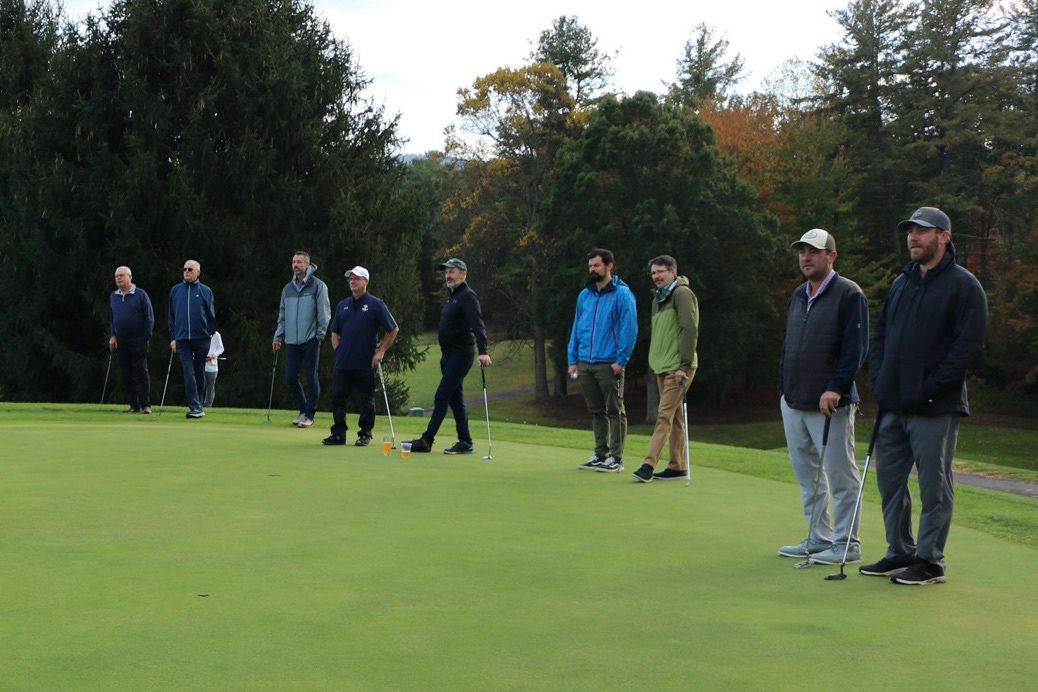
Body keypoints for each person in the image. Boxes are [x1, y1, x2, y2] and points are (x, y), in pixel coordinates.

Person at [860, 206, 987, 585]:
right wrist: (880, 381)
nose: (913, 237)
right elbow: (881, 336)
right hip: (893, 403)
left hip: (935, 406)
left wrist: (928, 389)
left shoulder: (965, 286)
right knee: (891, 485)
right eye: (911, 231)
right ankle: (900, 551)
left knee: (934, 486)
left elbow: (968, 351)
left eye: (923, 231)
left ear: (944, 237)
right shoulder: (902, 283)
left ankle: (930, 561)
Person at [775, 229, 869, 565]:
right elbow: (789, 345)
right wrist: (783, 388)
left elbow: (855, 349)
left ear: (832, 256)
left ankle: (847, 543)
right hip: (795, 399)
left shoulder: (849, 294)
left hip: (831, 403)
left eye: (814, 251)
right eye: (802, 251)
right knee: (809, 478)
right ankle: (819, 538)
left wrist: (837, 387)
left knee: (841, 477)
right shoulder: (800, 293)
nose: (806, 257)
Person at [407, 258, 491, 454]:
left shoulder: (468, 296)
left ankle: (426, 440)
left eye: (452, 271)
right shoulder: (453, 296)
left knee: (441, 396)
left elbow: (478, 324)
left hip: (461, 355)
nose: (448, 275)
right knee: (455, 399)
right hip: (448, 356)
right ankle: (465, 441)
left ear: (463, 274)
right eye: (446, 272)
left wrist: (484, 351)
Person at [567, 249, 638, 473]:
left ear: (609, 266)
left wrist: (621, 361)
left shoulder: (622, 294)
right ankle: (600, 454)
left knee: (615, 410)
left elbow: (629, 329)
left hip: (609, 363)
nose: (592, 270)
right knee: (596, 410)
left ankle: (616, 459)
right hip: (585, 363)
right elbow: (577, 328)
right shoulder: (584, 295)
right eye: (590, 266)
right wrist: (573, 359)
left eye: (596, 265)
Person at [632, 255, 699, 483]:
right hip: (662, 366)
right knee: (676, 418)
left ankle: (648, 464)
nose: (656, 276)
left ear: (673, 272)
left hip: (678, 368)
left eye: (661, 272)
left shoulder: (681, 294)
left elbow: (689, 329)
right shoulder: (658, 299)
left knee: (664, 416)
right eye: (653, 273)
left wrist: (684, 365)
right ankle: (677, 466)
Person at [322, 267, 399, 447]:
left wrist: (380, 351)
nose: (352, 281)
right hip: (343, 362)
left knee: (366, 400)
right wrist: (338, 351)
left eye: (356, 278)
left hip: (364, 361)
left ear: (365, 282)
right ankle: (339, 434)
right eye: (351, 278)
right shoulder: (343, 305)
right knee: (338, 397)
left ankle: (365, 433)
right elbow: (335, 332)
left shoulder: (375, 304)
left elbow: (393, 329)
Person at [272, 251, 331, 428]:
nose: (295, 265)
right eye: (293, 262)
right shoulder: (287, 289)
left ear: (307, 264)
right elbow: (282, 315)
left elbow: (324, 313)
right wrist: (278, 335)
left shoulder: (318, 286)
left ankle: (309, 414)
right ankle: (303, 409)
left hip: (311, 339)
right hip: (291, 340)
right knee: (290, 376)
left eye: (299, 262)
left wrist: (320, 334)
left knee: (311, 376)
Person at [168, 260, 216, 419]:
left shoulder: (205, 290)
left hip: (201, 338)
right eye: (184, 269)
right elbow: (171, 316)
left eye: (190, 269)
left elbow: (211, 316)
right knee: (188, 372)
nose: (186, 272)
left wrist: (209, 333)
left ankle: (199, 405)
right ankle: (195, 407)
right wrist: (173, 337)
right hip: (182, 339)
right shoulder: (176, 291)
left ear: (197, 272)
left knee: (199, 372)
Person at [109, 266, 155, 414]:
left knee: (140, 372)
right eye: (117, 276)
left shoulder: (140, 294)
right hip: (121, 340)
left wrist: (146, 337)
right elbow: (112, 318)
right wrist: (113, 335)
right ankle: (133, 405)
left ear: (130, 277)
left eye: (122, 275)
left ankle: (146, 405)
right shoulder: (113, 296)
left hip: (138, 339)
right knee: (126, 372)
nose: (118, 278)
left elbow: (149, 318)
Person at [203, 330, 225, 409]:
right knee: (201, 384)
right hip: (201, 364)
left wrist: (213, 355)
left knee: (210, 387)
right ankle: (198, 404)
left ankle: (208, 406)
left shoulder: (217, 335)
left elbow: (221, 348)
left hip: (212, 366)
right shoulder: (200, 331)